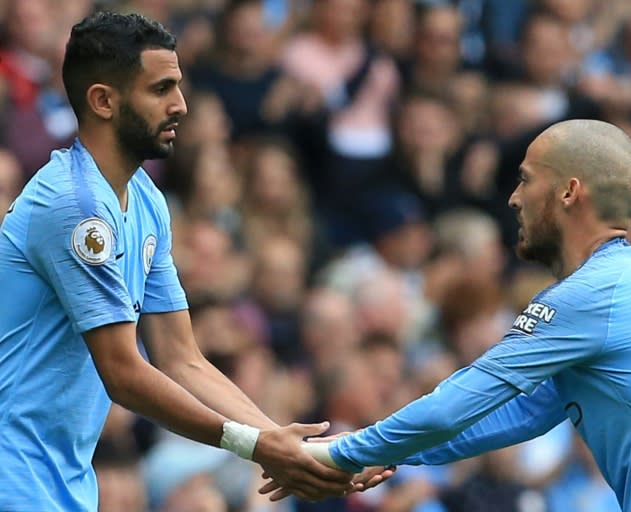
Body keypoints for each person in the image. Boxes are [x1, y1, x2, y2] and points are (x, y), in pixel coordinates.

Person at [0, 12, 390, 511]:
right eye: (160, 89)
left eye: (178, 87)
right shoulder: (75, 206)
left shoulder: (144, 198)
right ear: (103, 101)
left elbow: (181, 357)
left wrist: (288, 446)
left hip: (59, 479)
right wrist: (255, 445)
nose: (181, 105)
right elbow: (123, 371)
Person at [287, 119, 631, 510]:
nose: (514, 198)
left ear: (568, 192)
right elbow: (525, 410)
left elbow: (463, 397)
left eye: (526, 178)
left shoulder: (591, 296)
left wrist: (344, 452)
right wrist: (397, 452)